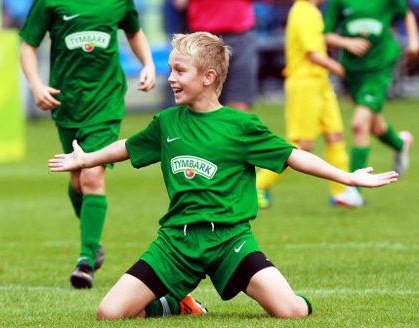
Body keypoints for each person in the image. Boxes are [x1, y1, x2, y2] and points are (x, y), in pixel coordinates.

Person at [48, 32, 398, 320]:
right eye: (170, 70)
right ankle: (175, 304)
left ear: (208, 77)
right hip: (176, 243)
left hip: (230, 240)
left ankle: (285, 297)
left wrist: (347, 177)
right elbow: (127, 146)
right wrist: (86, 158)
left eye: (179, 71)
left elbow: (294, 156)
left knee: (290, 311)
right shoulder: (167, 122)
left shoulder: (241, 126)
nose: (170, 78)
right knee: (109, 313)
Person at [19, 0, 156, 289]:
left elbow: (134, 31)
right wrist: (36, 85)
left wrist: (148, 64)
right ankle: (93, 241)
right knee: (78, 180)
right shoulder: (50, 3)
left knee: (92, 175)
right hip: (67, 102)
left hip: (106, 102)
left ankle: (85, 260)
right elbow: (28, 45)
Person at [256, 0, 362, 209]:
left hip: (320, 82)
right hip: (304, 83)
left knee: (335, 136)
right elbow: (312, 54)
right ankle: (259, 185)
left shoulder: (312, 11)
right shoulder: (302, 11)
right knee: (302, 144)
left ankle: (341, 193)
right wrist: (340, 68)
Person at [323, 0, 418, 201]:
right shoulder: (339, 2)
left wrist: (414, 41)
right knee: (374, 126)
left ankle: (354, 193)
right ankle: (400, 144)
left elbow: (406, 14)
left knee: (359, 124)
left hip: (380, 67)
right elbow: (326, 34)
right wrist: (346, 42)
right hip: (354, 71)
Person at [176, 0, 258, 112]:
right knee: (202, 104)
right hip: (203, 40)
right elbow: (180, 3)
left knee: (239, 102)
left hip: (240, 35)